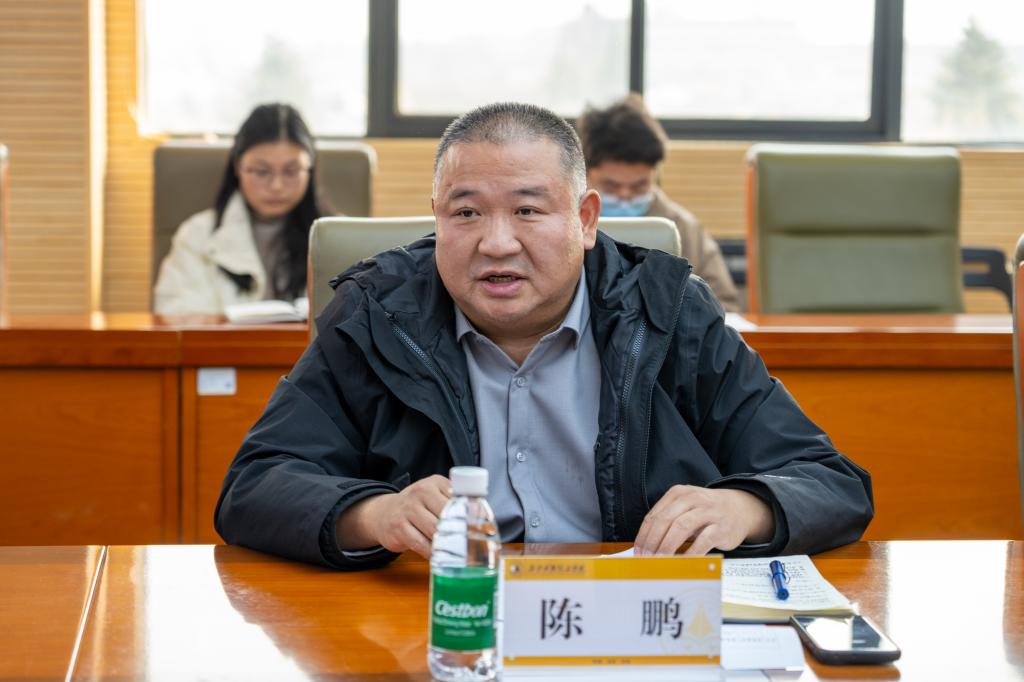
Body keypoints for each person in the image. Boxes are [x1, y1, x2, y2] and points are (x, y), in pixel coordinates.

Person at [215, 102, 872, 570]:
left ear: (585, 219)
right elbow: (254, 486)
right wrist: (373, 516)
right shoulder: (375, 316)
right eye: (466, 212)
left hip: (622, 627)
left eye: (528, 210)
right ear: (436, 218)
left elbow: (830, 481)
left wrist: (745, 509)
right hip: (441, 622)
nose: (496, 243)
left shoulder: (667, 313)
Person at [153, 103, 332, 315]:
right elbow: (173, 316)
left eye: (291, 171)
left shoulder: (338, 237)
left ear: (310, 169)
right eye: (262, 171)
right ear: (238, 168)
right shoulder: (197, 235)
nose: (277, 186)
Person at [577, 94, 741, 312]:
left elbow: (724, 305)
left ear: (655, 175)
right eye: (610, 186)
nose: (625, 195)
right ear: (585, 173)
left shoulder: (682, 227)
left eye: (639, 186)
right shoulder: (568, 223)